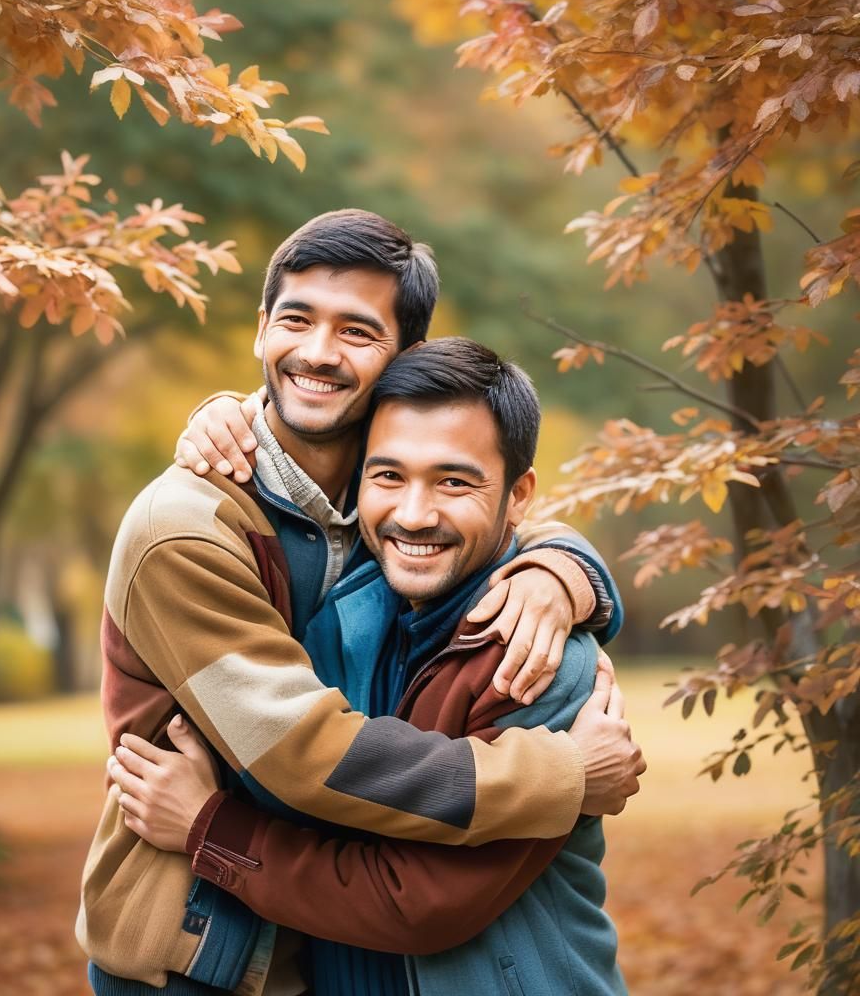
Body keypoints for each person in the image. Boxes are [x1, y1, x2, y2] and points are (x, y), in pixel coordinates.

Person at [77, 211, 644, 996]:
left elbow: (478, 505)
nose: (316, 352)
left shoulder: (371, 497)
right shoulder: (187, 529)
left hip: (312, 943)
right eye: (296, 320)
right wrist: (563, 777)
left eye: (356, 331)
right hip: (195, 949)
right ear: (259, 331)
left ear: (404, 359)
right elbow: (303, 757)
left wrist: (565, 568)